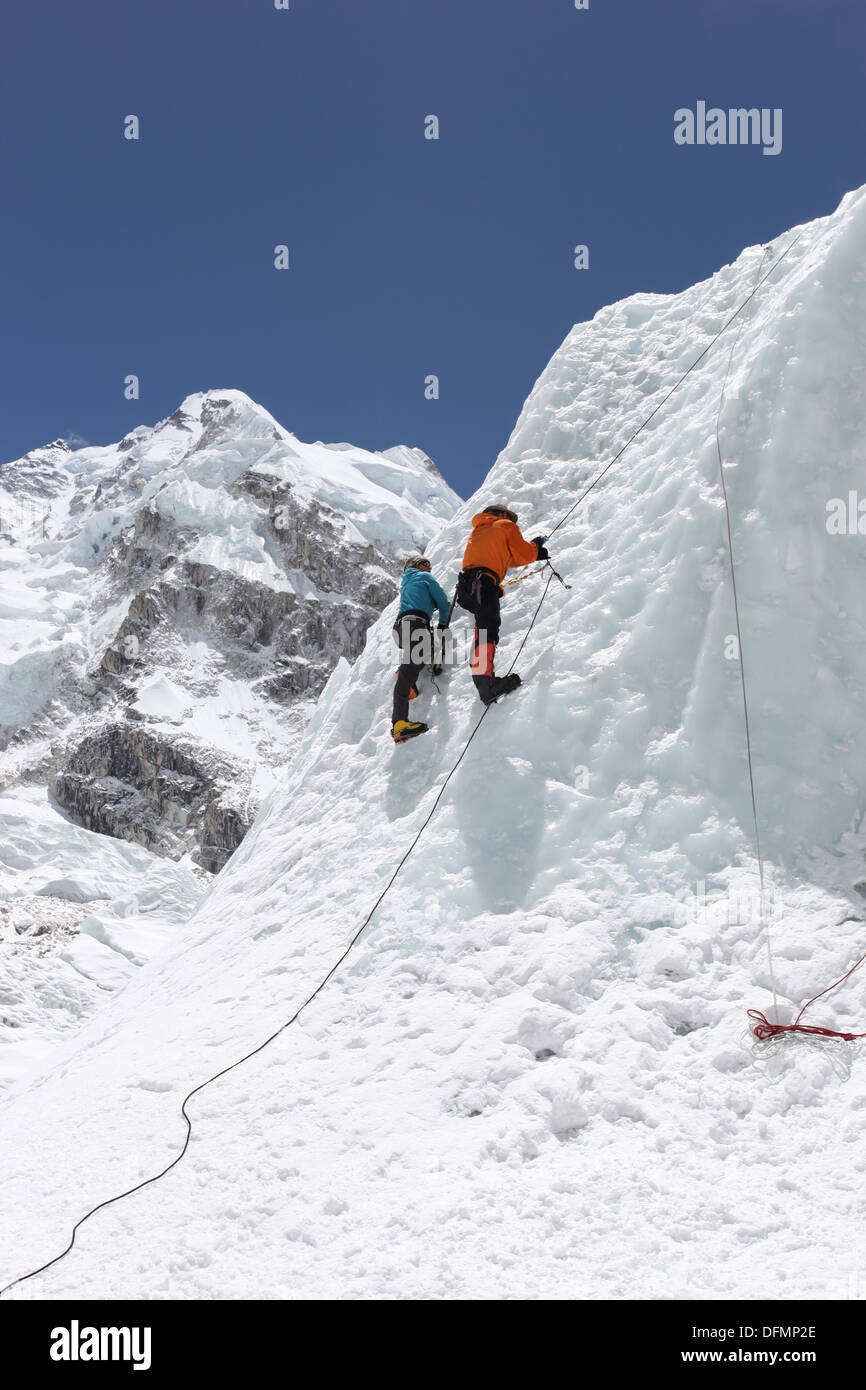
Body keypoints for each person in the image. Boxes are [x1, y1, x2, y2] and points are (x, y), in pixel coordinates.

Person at [456, 503, 548, 705]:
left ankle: (482, 679)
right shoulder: (506, 525)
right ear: (504, 515)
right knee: (488, 630)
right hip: (484, 582)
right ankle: (485, 685)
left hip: (468, 587)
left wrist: (534, 553)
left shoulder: (480, 530)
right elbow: (522, 552)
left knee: (483, 630)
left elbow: (506, 557)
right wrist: (536, 546)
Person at [391, 555, 453, 743]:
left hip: (402, 627)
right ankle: (399, 723)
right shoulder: (424, 577)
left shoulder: (407, 582)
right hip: (416, 624)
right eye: (426, 564)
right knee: (411, 666)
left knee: (417, 658)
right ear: (416, 566)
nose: (429, 568)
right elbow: (444, 603)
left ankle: (408, 678)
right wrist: (443, 624)